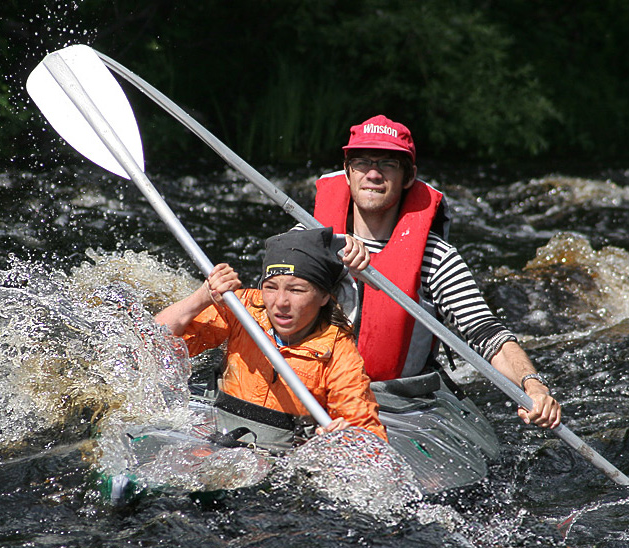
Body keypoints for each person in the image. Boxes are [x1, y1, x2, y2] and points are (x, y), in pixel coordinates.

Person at [315, 114, 561, 429]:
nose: (373, 173)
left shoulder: (437, 257)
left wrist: (533, 385)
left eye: (388, 164)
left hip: (394, 403)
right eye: (362, 161)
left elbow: (487, 334)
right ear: (348, 171)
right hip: (313, 390)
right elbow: (267, 316)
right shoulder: (309, 239)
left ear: (408, 176)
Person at [155, 227, 387, 451]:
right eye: (271, 287)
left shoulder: (338, 351)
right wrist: (203, 297)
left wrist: (342, 442)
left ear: (325, 295)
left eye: (296, 290)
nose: (280, 302)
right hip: (215, 442)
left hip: (279, 460)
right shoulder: (243, 308)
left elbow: (370, 440)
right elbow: (156, 342)